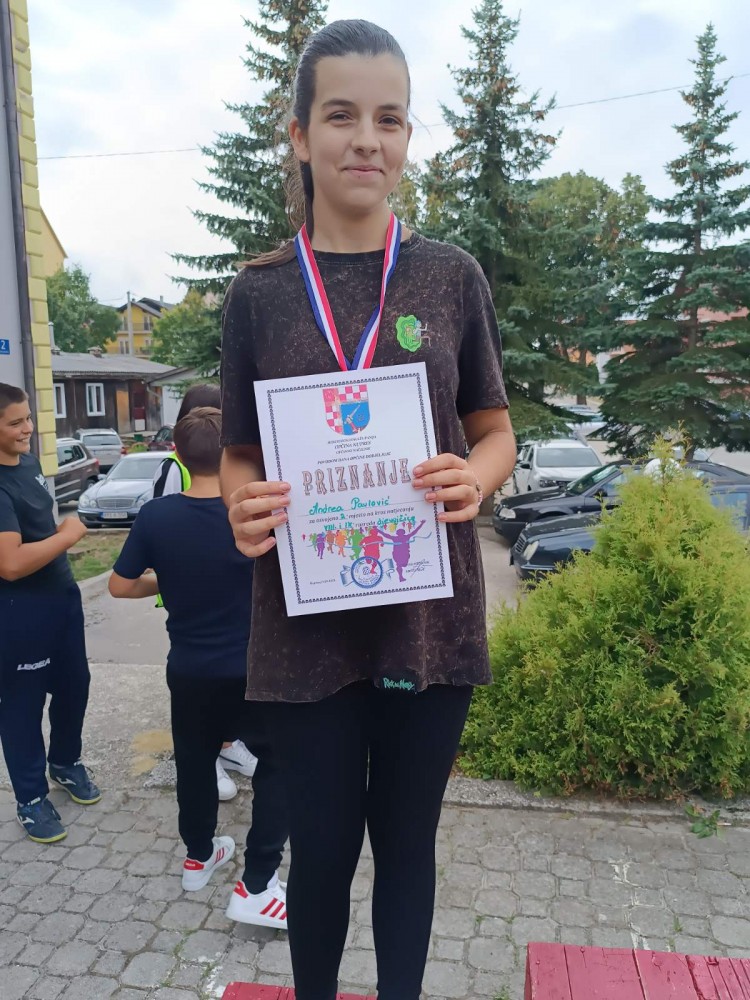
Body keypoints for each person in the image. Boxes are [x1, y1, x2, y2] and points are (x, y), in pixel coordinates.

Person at [219, 19, 516, 1000]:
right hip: (305, 627)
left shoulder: (450, 276)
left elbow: (495, 431)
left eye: (389, 119)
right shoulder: (259, 295)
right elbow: (238, 451)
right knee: (322, 850)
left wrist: (475, 478)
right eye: (342, 115)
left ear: (406, 136)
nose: (366, 140)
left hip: (427, 619)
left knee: (406, 846)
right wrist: (241, 506)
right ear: (300, 133)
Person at [109, 407, 288, 926]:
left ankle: (197, 858)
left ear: (178, 457)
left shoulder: (156, 517)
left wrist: (167, 580)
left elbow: (119, 585)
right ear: (235, 454)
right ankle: (259, 878)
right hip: (256, 667)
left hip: (189, 668)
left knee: (193, 762)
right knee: (279, 764)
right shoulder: (258, 512)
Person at [0, 383, 101, 844]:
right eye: (15, 423)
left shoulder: (29, 463)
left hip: (61, 597)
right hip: (21, 610)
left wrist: (58, 537)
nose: (28, 428)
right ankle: (30, 799)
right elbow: (11, 563)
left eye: (28, 418)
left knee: (74, 685)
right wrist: (68, 535)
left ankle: (64, 762)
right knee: (22, 705)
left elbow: (38, 530)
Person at [152, 383, 259, 803]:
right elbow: (163, 533)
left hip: (227, 590)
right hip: (189, 594)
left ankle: (228, 743)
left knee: (229, 674)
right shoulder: (172, 472)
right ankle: (207, 753)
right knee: (198, 686)